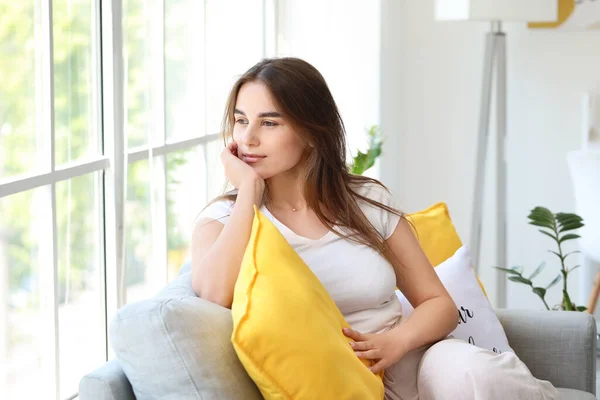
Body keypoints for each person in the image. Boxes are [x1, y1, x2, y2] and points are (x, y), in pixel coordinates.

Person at [190, 57, 559, 400]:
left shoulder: (364, 199)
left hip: (424, 371)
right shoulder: (224, 221)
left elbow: (438, 304)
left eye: (269, 122)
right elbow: (211, 293)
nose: (249, 138)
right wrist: (250, 193)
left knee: (465, 372)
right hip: (344, 388)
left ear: (312, 132)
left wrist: (396, 342)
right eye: (241, 121)